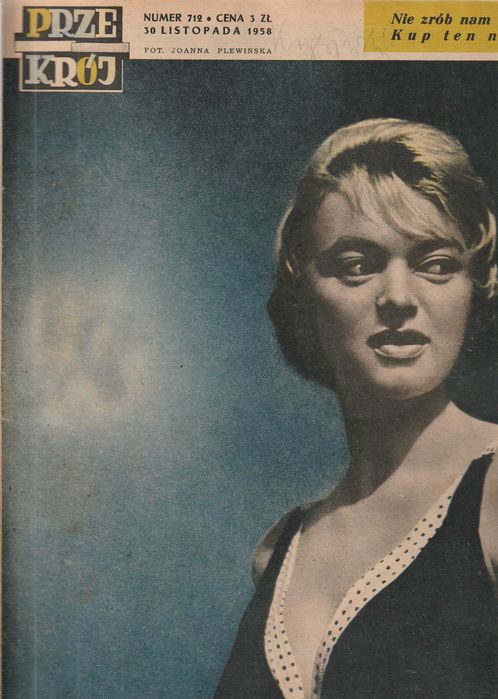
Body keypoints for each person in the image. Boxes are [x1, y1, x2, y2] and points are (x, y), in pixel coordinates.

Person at [215, 118, 498, 698]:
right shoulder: (279, 550)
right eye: (357, 265)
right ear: (305, 293)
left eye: (436, 264)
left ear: (473, 287)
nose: (398, 297)